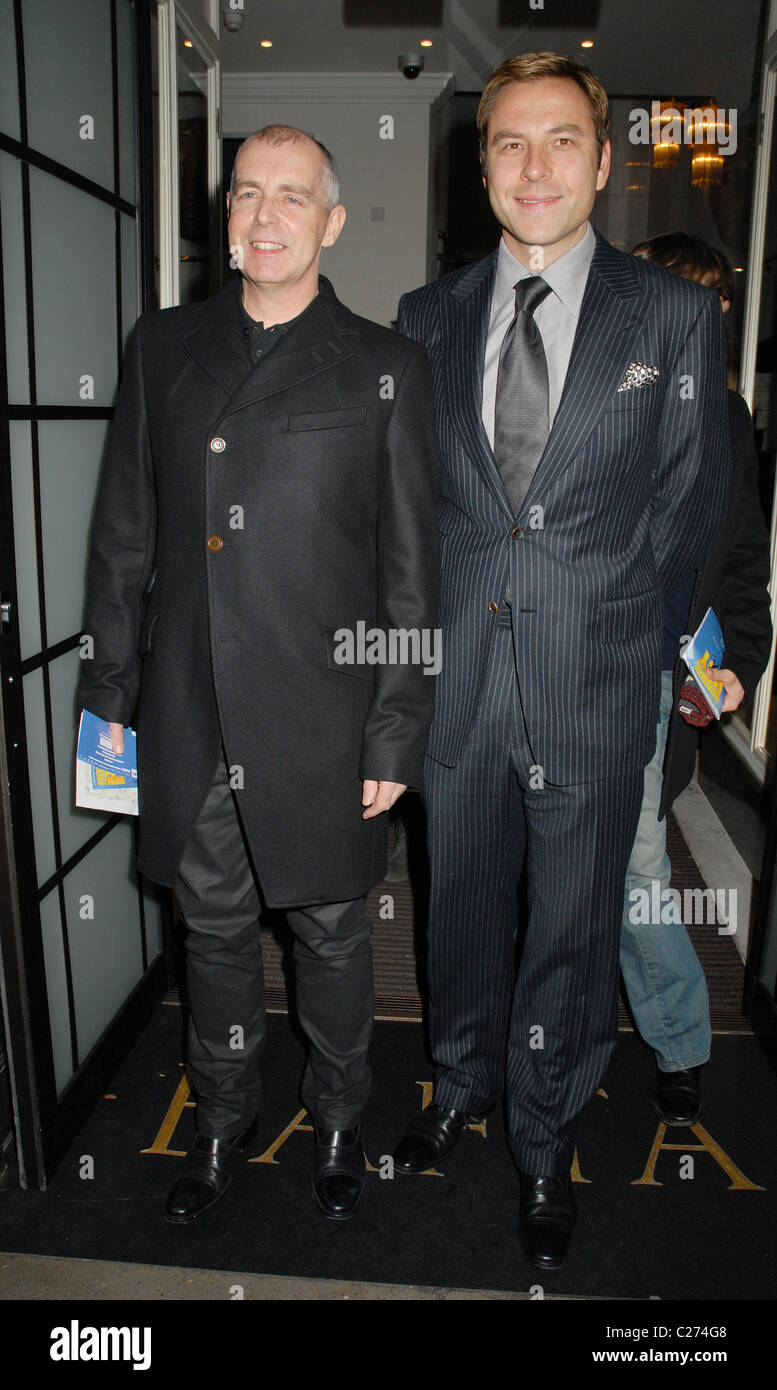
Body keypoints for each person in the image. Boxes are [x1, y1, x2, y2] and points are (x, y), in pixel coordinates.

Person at [391, 53, 731, 1270]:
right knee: (460, 907)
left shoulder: (677, 314)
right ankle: (462, 1079)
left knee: (577, 929)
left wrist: (631, 647)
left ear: (602, 159)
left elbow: (696, 512)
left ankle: (543, 1134)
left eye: (561, 141)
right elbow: (411, 511)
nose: (535, 167)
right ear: (481, 165)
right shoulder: (424, 319)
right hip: (461, 689)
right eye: (509, 144)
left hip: (594, 683)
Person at [77, 125, 439, 1225]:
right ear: (223, 215)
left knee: (332, 940)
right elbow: (123, 540)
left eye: (292, 197)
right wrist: (108, 702)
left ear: (332, 223)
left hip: (324, 722)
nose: (265, 215)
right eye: (245, 194)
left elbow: (412, 576)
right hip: (188, 714)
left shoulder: (388, 365)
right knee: (218, 940)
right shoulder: (162, 347)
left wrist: (395, 731)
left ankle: (336, 1119)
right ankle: (224, 1123)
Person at [620, 232, 772, 1127]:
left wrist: (735, 668)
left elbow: (742, 567)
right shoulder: (588, 397)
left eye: (714, 300)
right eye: (684, 296)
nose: (704, 315)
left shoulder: (725, 419)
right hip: (562, 662)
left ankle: (678, 1044)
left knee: (634, 861)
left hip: (653, 674)